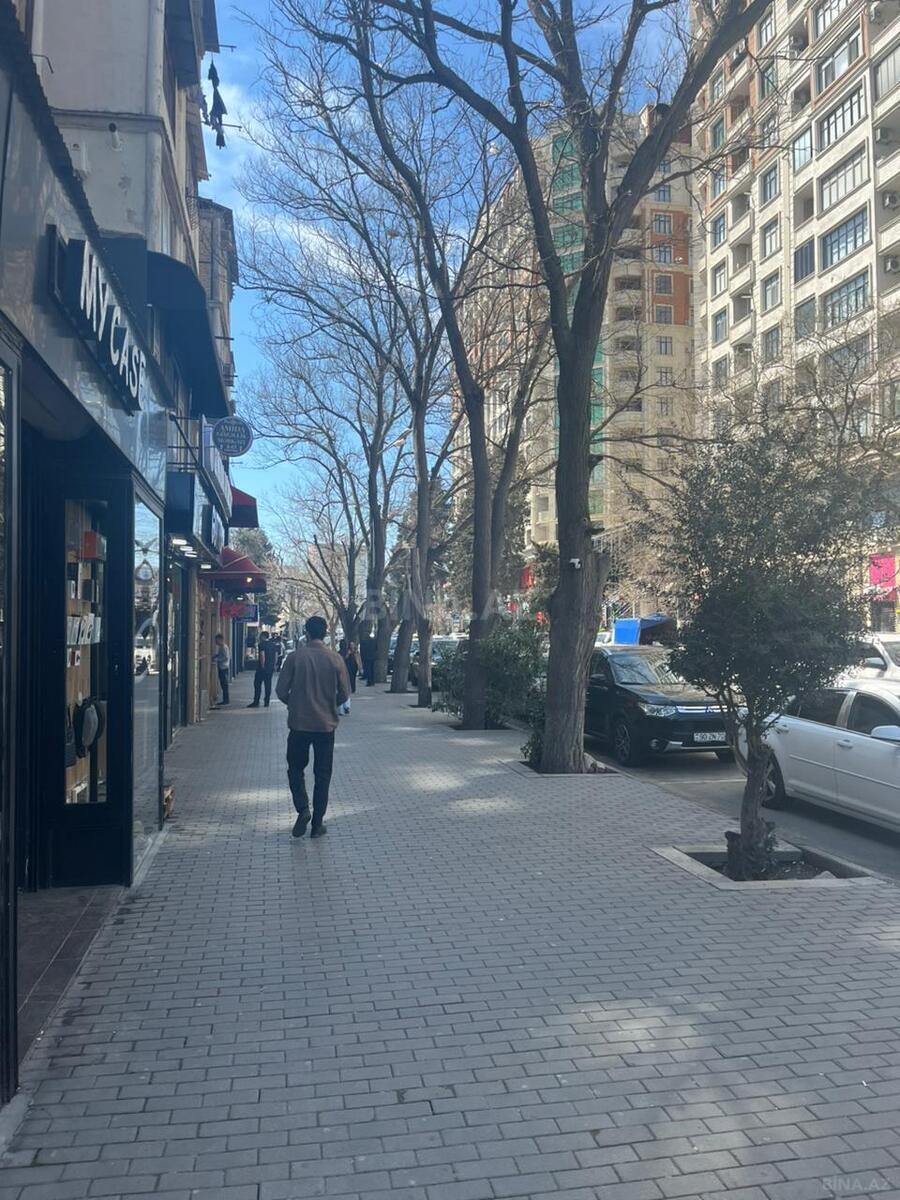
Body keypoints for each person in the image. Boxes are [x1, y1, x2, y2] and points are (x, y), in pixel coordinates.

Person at [276, 615, 351, 839]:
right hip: (325, 726)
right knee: (323, 774)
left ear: (306, 633)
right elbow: (345, 693)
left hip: (299, 724)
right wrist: (329, 705)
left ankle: (303, 808)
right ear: (325, 634)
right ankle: (317, 823)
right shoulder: (336, 659)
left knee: (295, 769)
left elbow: (280, 690)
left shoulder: (295, 658)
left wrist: (295, 704)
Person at [248, 631, 278, 707]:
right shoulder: (273, 645)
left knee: (257, 684)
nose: (259, 637)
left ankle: (256, 701)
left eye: (260, 636)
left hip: (262, 668)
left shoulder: (261, 644)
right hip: (270, 668)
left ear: (263, 636)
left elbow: (262, 655)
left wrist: (262, 666)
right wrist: (274, 665)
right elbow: (276, 655)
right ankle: (266, 702)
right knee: (268, 685)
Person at [213, 633, 230, 706]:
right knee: (223, 684)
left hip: (224, 668)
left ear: (220, 639)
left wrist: (217, 660)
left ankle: (226, 700)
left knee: (224, 684)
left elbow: (225, 657)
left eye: (216, 640)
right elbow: (221, 655)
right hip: (222, 667)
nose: (215, 642)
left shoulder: (224, 647)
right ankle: (225, 700)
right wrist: (216, 656)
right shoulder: (221, 647)